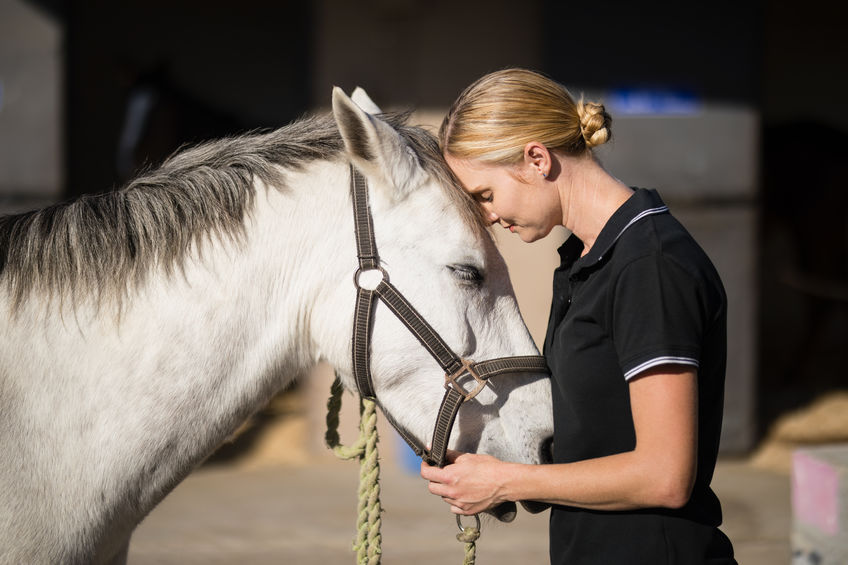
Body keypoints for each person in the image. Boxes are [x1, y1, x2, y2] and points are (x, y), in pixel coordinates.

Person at [420, 68, 736, 564]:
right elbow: (596, 436)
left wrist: (506, 483)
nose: (487, 217)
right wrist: (486, 462)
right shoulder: (587, 260)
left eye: (484, 194)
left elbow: (665, 476)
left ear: (537, 159)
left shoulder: (648, 267)